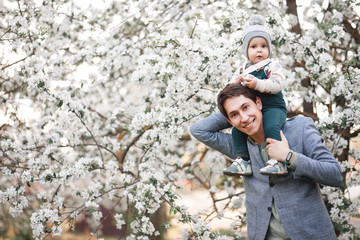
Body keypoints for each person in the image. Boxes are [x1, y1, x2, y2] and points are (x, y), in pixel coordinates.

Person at [190, 83, 342, 240]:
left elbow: (334, 174)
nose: (244, 118)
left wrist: (289, 157)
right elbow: (198, 130)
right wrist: (229, 106)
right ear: (229, 120)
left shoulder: (300, 128)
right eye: (234, 115)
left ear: (259, 103)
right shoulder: (239, 148)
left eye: (246, 107)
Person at [223, 14, 287, 176]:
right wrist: (236, 82)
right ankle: (243, 160)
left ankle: (278, 162)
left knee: (271, 127)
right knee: (237, 131)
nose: (259, 50)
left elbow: (277, 84)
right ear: (246, 50)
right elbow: (229, 90)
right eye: (253, 47)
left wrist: (258, 84)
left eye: (263, 46)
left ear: (268, 49)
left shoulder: (271, 66)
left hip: (273, 107)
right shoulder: (244, 69)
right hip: (254, 110)